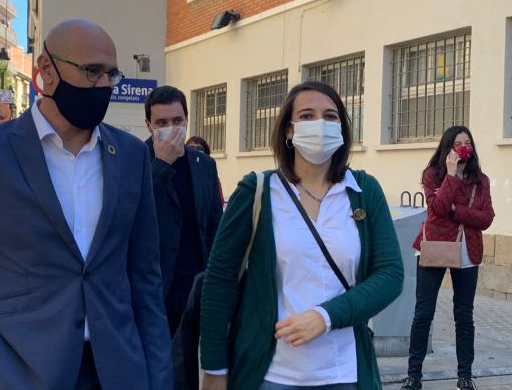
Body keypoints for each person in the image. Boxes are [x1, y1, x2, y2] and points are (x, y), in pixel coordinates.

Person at [0, 19, 172, 390]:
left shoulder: (130, 155)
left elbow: (145, 276)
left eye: (111, 75)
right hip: (22, 372)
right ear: (47, 70)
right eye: (92, 71)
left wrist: (158, 374)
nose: (104, 85)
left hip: (119, 371)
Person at [200, 81, 403, 390]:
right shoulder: (258, 191)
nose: (320, 124)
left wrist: (325, 316)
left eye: (330, 116)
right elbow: (220, 279)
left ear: (342, 129)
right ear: (289, 130)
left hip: (345, 373)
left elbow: (390, 274)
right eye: (307, 115)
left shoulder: (363, 190)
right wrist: (214, 368)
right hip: (271, 374)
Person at [400, 126, 494, 390]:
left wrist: (457, 210)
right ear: (447, 148)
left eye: (468, 143)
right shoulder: (433, 175)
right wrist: (451, 176)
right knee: (423, 314)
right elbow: (438, 208)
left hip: (468, 252)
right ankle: (413, 376)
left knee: (464, 316)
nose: (464, 148)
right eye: (458, 143)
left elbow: (486, 218)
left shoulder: (480, 180)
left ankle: (464, 377)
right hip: (435, 247)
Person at [144, 86, 222, 336]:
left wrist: (213, 277)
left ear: (187, 120)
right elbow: (133, 214)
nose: (171, 128)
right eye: (162, 122)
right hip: (153, 292)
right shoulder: (135, 159)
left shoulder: (204, 165)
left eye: (177, 121)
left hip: (196, 289)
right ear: (149, 125)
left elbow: (214, 226)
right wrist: (162, 164)